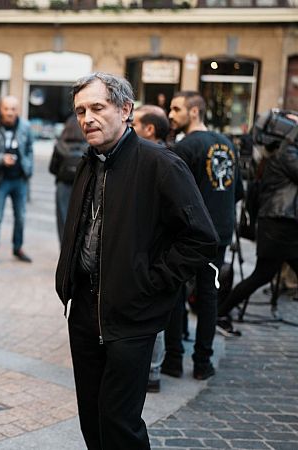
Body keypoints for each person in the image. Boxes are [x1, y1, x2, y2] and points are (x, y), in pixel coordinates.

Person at [55, 72, 218, 449]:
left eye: (98, 108)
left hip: (132, 314)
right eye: (81, 110)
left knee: (120, 423)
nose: (87, 119)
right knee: (92, 418)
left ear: (125, 109)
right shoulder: (89, 161)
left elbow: (201, 238)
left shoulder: (160, 164)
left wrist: (150, 281)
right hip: (84, 311)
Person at [167, 90, 240, 380]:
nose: (171, 115)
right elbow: (236, 191)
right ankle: (202, 363)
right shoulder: (227, 144)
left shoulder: (184, 147)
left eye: (176, 109)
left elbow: (172, 194)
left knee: (176, 293)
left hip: (189, 233)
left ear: (194, 111)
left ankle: (174, 360)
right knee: (209, 296)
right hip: (218, 232)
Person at [217, 114, 298, 337]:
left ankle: (219, 312)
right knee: (261, 275)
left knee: (262, 275)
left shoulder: (279, 153)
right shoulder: (287, 153)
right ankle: (219, 312)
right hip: (280, 224)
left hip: (278, 223)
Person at [131, 104, 171, 394]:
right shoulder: (136, 156)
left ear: (149, 129)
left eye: (134, 124)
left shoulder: (164, 161)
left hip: (155, 256)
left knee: (153, 319)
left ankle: (153, 372)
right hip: (143, 255)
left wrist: (163, 272)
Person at [0, 95, 34, 267]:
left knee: (21, 217)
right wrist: (1, 159)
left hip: (20, 179)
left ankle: (18, 248)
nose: (10, 112)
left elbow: (29, 148)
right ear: (0, 109)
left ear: (18, 110)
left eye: (13, 109)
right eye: (6, 109)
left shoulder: (25, 126)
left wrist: (28, 167)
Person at [49, 115, 88, 243]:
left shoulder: (60, 146)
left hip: (63, 185)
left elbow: (52, 168)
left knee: (63, 219)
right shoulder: (89, 147)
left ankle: (64, 248)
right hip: (83, 186)